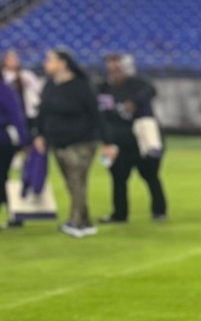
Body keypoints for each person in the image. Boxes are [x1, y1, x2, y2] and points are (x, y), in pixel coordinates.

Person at [34, 47, 100, 237]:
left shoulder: (81, 86)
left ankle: (77, 221)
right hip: (58, 141)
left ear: (63, 63)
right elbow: (43, 111)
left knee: (77, 180)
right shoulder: (50, 85)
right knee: (70, 182)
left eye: (50, 60)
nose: (46, 63)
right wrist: (39, 134)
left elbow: (96, 114)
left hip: (81, 142)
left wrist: (107, 142)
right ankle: (84, 220)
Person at [99, 53, 168, 224]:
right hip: (115, 141)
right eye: (111, 69)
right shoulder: (102, 87)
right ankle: (119, 213)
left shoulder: (139, 85)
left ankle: (159, 210)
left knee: (150, 175)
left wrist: (135, 102)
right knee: (117, 178)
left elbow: (151, 90)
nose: (114, 73)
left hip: (140, 140)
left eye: (117, 69)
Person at [0, 63, 25, 229]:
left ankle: (14, 213)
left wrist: (24, 140)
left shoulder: (4, 90)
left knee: (2, 178)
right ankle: (15, 213)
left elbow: (16, 116)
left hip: (2, 141)